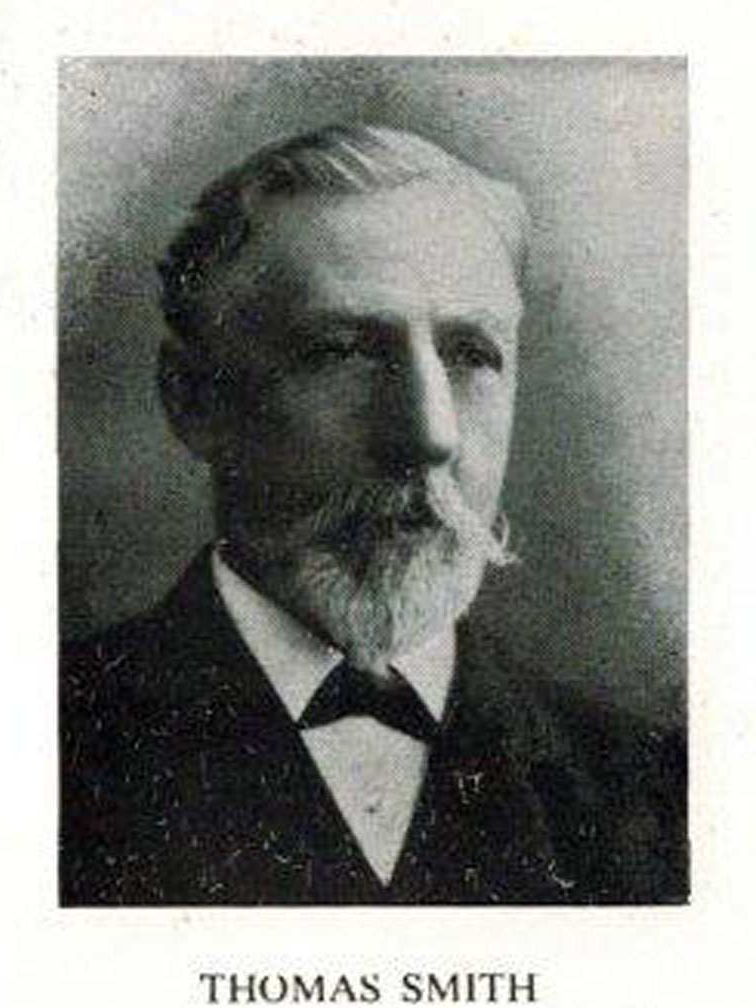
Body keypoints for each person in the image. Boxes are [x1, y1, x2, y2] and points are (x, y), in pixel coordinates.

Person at [60, 125, 687, 905]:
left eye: (471, 354)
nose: (430, 435)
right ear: (193, 400)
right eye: (342, 352)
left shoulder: (662, 796)